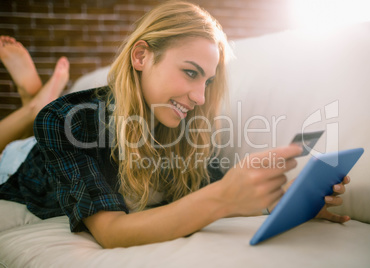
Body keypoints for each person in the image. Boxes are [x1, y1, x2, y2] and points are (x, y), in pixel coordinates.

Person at [0, 1, 350, 248]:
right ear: (141, 56)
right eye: (190, 72)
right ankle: (33, 101)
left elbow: (218, 186)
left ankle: (33, 97)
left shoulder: (188, 126)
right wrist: (223, 199)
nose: (199, 96)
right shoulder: (66, 120)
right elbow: (110, 232)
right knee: (14, 142)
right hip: (23, 164)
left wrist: (282, 199)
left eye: (207, 81)